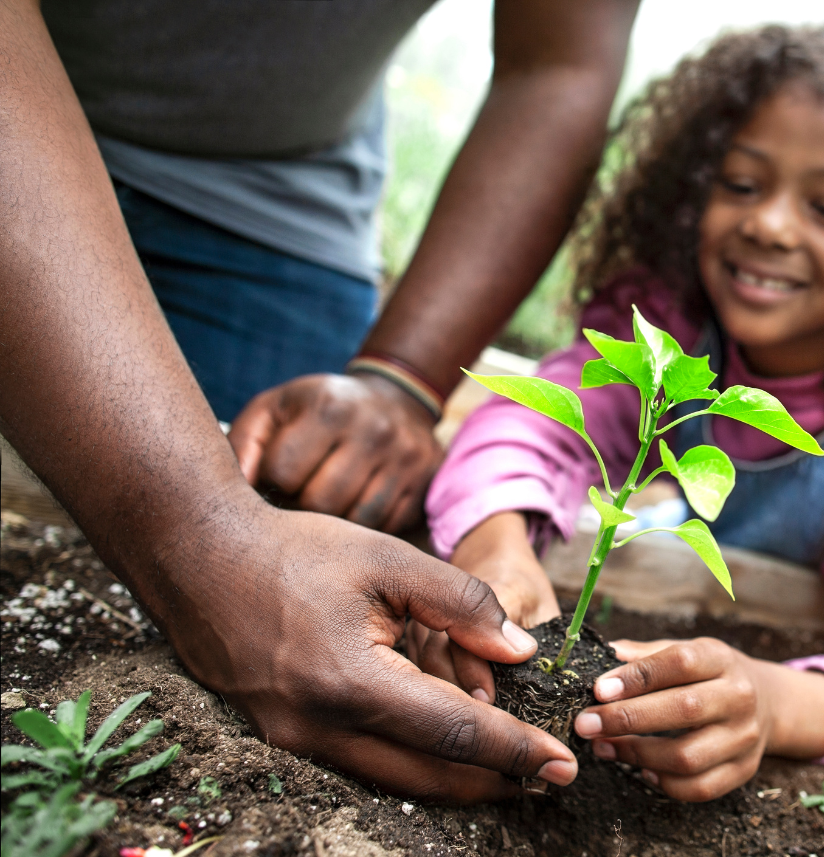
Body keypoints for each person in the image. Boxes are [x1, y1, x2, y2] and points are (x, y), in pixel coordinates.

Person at [0, 0, 638, 801]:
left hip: (274, 204)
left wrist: (400, 379)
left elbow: (559, 65)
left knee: (319, 493)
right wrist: (199, 531)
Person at [410, 25, 824, 801]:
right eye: (743, 185)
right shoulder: (667, 329)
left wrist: (772, 700)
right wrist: (496, 555)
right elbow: (525, 428)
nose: (770, 225)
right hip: (677, 579)